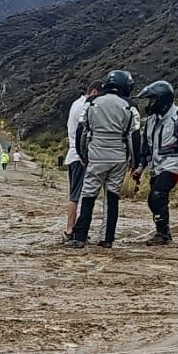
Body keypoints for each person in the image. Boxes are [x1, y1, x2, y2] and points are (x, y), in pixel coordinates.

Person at [67, 70, 141, 249]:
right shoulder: (130, 106)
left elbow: (82, 132)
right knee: (112, 197)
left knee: (88, 194)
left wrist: (83, 154)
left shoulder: (92, 102)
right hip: (118, 158)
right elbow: (134, 136)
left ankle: (80, 236)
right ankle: (107, 238)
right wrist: (134, 162)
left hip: (96, 156)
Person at [133, 80, 178, 246]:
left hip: (173, 163)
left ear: (162, 99)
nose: (150, 104)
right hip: (157, 165)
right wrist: (140, 168)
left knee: (157, 195)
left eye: (152, 100)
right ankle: (163, 231)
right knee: (152, 199)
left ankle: (162, 234)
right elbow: (146, 147)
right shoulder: (150, 121)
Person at [62, 82, 98, 242]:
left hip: (74, 155)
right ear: (94, 92)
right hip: (79, 157)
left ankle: (72, 229)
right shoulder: (84, 106)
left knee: (76, 194)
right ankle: (71, 230)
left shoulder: (76, 104)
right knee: (76, 195)